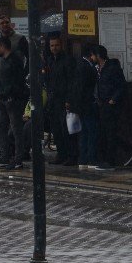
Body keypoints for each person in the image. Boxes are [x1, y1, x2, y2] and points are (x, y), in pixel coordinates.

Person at [0, 36, 29, 170]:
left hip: (13, 99)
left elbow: (17, 81)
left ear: (3, 47)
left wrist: (10, 94)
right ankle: (5, 156)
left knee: (16, 128)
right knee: (1, 126)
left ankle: (18, 158)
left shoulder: (14, 61)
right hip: (4, 98)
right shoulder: (4, 60)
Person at [44, 34, 78, 166]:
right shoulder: (49, 60)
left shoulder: (68, 60)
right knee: (56, 129)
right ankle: (61, 154)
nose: (54, 48)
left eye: (56, 45)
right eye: (52, 45)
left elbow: (72, 82)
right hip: (53, 100)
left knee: (67, 129)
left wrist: (69, 99)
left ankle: (72, 155)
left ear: (61, 45)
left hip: (64, 99)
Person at [93, 45, 126, 171]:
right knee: (104, 133)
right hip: (101, 104)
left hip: (110, 105)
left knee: (111, 133)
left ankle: (111, 160)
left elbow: (121, 86)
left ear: (99, 55)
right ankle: (104, 159)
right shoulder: (99, 69)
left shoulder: (112, 68)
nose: (92, 57)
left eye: (93, 55)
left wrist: (113, 100)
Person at [74, 45, 99, 170]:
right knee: (91, 132)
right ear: (91, 55)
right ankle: (91, 159)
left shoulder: (79, 65)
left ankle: (82, 160)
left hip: (81, 106)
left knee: (83, 133)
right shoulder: (88, 68)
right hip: (88, 104)